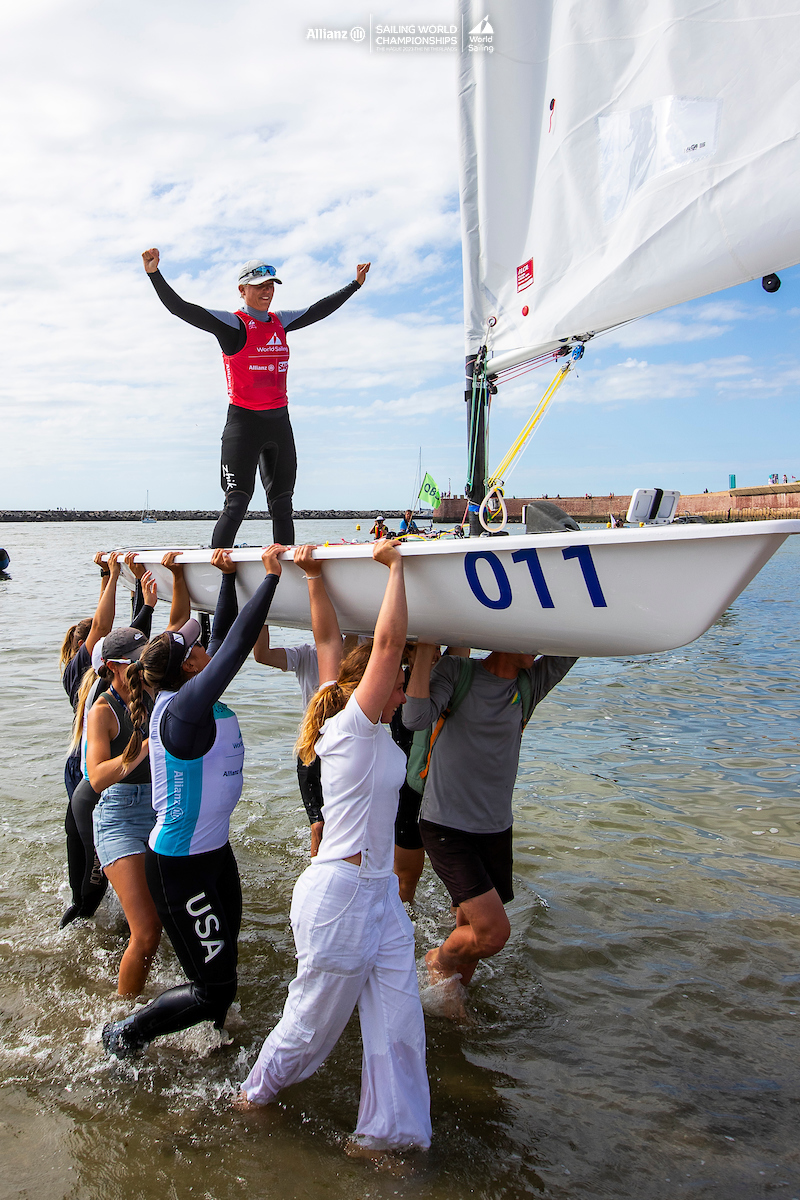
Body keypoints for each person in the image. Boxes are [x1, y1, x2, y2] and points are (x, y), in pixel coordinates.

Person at [236, 541, 431, 1155]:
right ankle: (251, 1097)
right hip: (339, 897)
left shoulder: (366, 723)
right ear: (369, 681)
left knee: (400, 1023)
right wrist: (397, 569)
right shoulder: (348, 728)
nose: (400, 695)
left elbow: (332, 642)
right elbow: (389, 645)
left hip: (380, 899)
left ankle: (390, 1135)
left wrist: (315, 577)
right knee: (311, 1029)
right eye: (394, 686)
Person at [102, 546, 284, 1059]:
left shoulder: (185, 693)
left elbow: (221, 639)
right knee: (215, 987)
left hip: (214, 856)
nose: (206, 646)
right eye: (196, 648)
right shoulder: (182, 712)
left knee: (223, 963)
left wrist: (228, 581)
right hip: (179, 866)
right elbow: (236, 647)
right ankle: (125, 1035)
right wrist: (269, 580)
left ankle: (218, 1042)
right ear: (190, 668)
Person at [142, 248, 370, 548]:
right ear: (242, 290)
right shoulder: (233, 325)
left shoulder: (281, 322)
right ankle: (219, 572)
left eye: (271, 285)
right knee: (236, 503)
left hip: (279, 424)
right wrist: (154, 274)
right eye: (260, 285)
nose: (267, 291)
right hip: (243, 423)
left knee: (282, 506)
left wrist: (354, 285)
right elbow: (181, 308)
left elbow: (318, 310)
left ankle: (286, 570)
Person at [402, 646, 577, 1001]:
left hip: (496, 829)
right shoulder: (457, 671)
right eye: (529, 638)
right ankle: (437, 960)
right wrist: (425, 646)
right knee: (492, 934)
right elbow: (415, 718)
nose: (539, 647)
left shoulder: (530, 683)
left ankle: (452, 991)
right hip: (445, 825)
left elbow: (574, 644)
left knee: (469, 927)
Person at [59, 552, 156, 928]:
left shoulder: (124, 678)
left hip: (109, 782)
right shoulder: (81, 677)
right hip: (88, 783)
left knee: (112, 877)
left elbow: (121, 634)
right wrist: (118, 578)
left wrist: (111, 577)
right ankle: (72, 935)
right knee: (89, 887)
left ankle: (114, 921)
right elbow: (106, 628)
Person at [252, 626, 360, 857]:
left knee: (347, 826)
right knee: (318, 826)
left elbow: (347, 660)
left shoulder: (362, 651)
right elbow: (262, 655)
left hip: (347, 749)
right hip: (311, 747)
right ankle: (316, 878)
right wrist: (263, 613)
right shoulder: (305, 654)